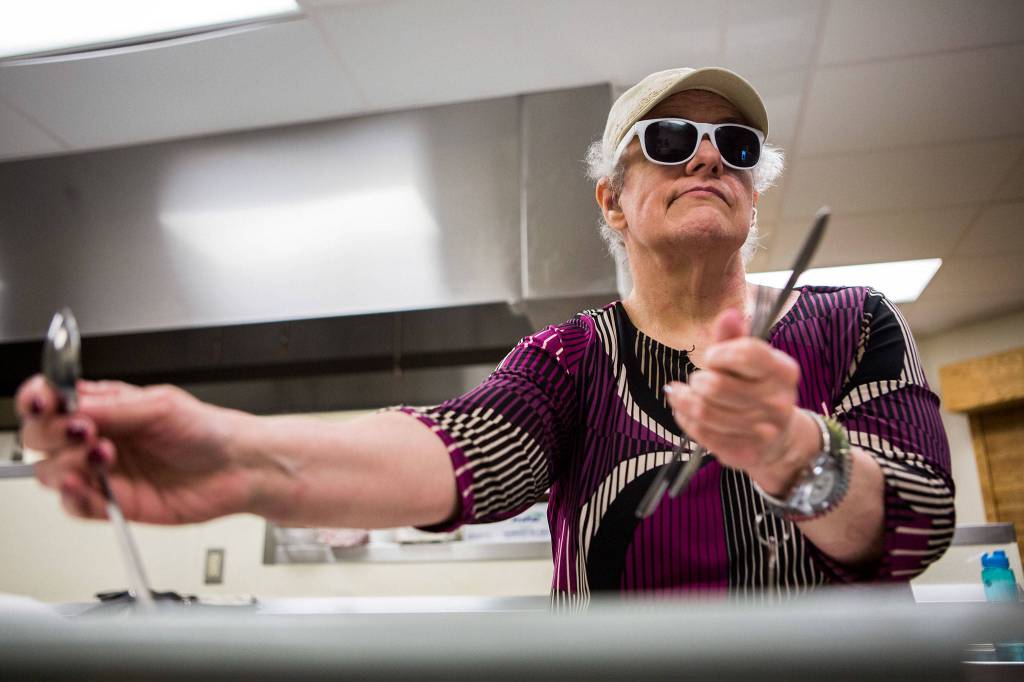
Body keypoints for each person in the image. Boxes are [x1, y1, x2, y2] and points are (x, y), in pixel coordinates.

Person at [16, 67, 954, 603]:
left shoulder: (852, 322)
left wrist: (792, 450)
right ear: (612, 201)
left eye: (736, 146)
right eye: (669, 141)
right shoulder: (569, 362)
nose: (708, 154)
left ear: (751, 192)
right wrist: (235, 457)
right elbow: (459, 449)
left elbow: (916, 524)